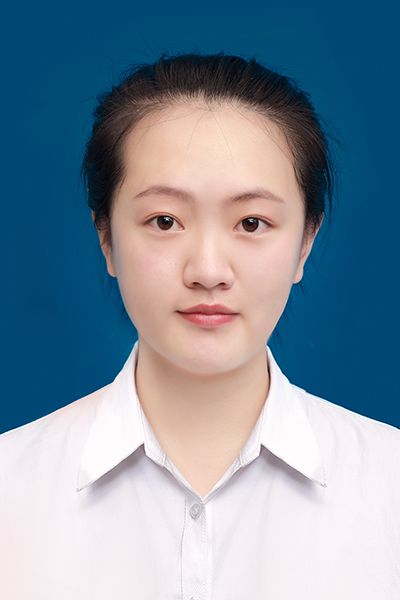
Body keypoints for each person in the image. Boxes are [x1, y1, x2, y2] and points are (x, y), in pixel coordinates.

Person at [0, 52, 399, 600]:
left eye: (251, 223)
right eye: (165, 221)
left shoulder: (388, 487)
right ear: (106, 237)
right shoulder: (11, 490)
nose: (208, 271)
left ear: (305, 242)